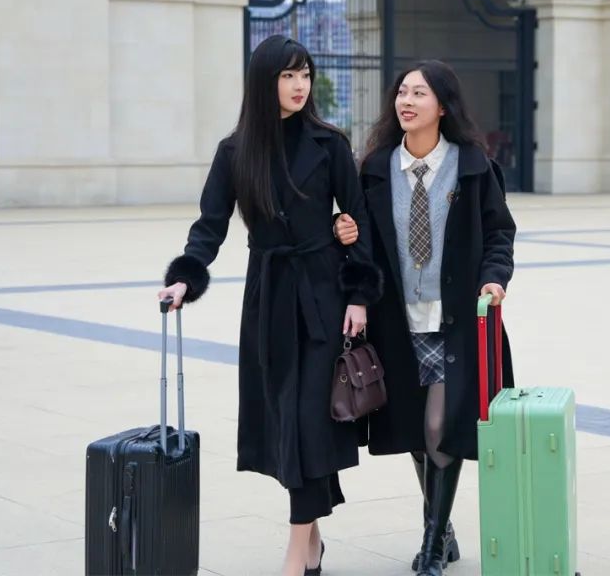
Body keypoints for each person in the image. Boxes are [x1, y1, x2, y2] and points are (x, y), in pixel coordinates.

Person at [158, 35, 381, 576]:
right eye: (287, 75)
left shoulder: (330, 143)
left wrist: (359, 296)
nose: (300, 85)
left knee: (309, 418)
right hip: (269, 298)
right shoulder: (235, 152)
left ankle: (295, 554)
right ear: (265, 82)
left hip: (323, 296)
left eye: (304, 74)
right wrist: (185, 279)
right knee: (286, 424)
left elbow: (358, 219)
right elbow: (209, 226)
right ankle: (314, 540)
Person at [334, 60, 516, 575]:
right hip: (397, 321)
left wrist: (495, 278)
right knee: (417, 431)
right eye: (402, 92)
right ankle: (445, 529)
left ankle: (432, 546)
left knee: (440, 424)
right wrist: (342, 231)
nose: (407, 101)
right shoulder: (375, 169)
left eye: (419, 93)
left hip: (453, 321)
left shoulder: (473, 167)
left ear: (442, 105)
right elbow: (361, 243)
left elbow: (499, 232)